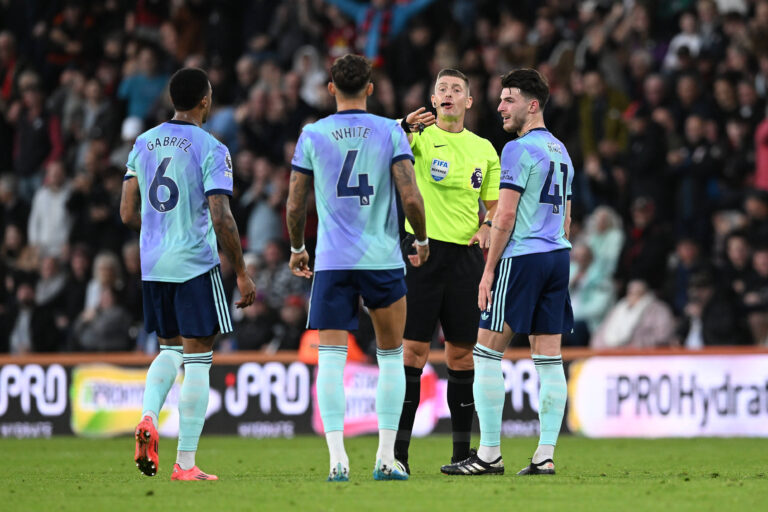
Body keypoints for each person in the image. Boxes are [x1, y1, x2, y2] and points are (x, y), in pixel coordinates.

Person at [286, 54, 427, 482]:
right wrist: (420, 240)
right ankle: (386, 458)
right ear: (370, 88)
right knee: (389, 357)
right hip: (382, 259)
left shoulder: (311, 134)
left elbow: (295, 203)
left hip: (331, 262)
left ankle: (336, 460)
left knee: (330, 360)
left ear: (330, 88)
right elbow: (412, 197)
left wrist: (297, 248)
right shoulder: (390, 131)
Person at [120, 67, 256, 481]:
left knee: (168, 351)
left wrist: (160, 231)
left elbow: (127, 212)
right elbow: (221, 216)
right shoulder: (212, 147)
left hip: (154, 265)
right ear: (204, 101)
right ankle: (185, 463)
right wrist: (243, 273)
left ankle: (147, 416)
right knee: (198, 360)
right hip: (195, 264)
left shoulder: (142, 143)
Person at [442, 68, 574, 476]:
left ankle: (490, 455)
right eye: (500, 99)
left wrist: (488, 273)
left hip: (523, 259)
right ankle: (545, 455)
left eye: (509, 100)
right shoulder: (562, 151)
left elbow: (506, 215)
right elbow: (567, 218)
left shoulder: (517, 150)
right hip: (558, 255)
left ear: (532, 106)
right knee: (549, 360)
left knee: (484, 353)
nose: (499, 106)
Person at [393, 68, 501, 473]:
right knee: (414, 352)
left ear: (469, 101)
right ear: (434, 99)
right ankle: (397, 455)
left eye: (458, 89)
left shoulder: (485, 149)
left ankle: (461, 455)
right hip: (421, 252)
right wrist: (404, 126)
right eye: (443, 89)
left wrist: (488, 225)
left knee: (461, 354)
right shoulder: (419, 137)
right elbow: (388, 146)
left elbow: (492, 204)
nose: (450, 95)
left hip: (464, 258)